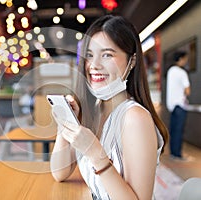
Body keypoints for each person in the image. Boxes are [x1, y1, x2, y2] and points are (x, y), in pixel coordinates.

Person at [50, 15, 168, 200]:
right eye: (89, 55)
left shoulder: (135, 118)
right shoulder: (95, 110)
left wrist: (95, 153)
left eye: (107, 55)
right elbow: (59, 173)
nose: (94, 66)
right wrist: (65, 122)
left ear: (132, 61)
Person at [166, 51, 190, 160]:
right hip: (180, 104)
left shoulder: (170, 71)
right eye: (185, 59)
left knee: (173, 129)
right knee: (179, 130)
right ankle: (178, 154)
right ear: (181, 59)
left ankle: (173, 152)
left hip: (171, 105)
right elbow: (187, 90)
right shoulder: (182, 72)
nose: (186, 61)